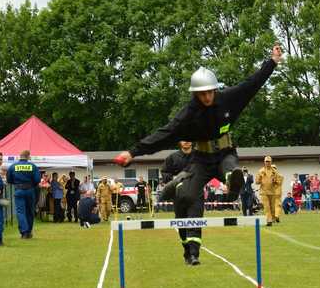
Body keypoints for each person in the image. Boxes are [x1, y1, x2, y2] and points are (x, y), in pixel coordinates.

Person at [113, 44, 282, 265]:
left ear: (214, 89)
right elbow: (164, 133)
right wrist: (133, 152)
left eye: (210, 92)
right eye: (201, 94)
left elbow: (253, 83)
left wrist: (272, 61)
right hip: (201, 160)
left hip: (225, 154)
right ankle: (190, 250)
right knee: (187, 196)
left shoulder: (228, 98)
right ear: (195, 94)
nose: (206, 97)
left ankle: (233, 186)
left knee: (231, 169)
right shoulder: (188, 114)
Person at [6, 150, 40, 239]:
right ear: (28, 156)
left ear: (19, 156)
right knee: (30, 212)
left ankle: (24, 232)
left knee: (21, 212)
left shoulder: (13, 166)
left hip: (19, 190)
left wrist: (17, 183)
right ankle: (29, 231)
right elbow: (37, 180)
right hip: (30, 190)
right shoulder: (33, 166)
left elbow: (9, 179)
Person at [256, 156, 279, 226]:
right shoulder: (261, 171)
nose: (267, 163)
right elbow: (257, 182)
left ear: (271, 162)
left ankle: (273, 218)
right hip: (264, 192)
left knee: (272, 207)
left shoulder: (274, 171)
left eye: (269, 161)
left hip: (272, 192)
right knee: (266, 207)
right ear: (264, 162)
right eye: (266, 161)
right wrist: (260, 178)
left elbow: (278, 181)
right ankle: (269, 220)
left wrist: (275, 180)